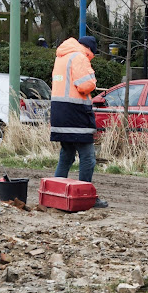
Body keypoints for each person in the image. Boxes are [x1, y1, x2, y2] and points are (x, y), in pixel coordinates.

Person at [50, 35, 108, 208]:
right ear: (89, 50)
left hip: (59, 112)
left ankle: (55, 194)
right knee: (88, 157)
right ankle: (85, 196)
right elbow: (85, 85)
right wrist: (93, 78)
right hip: (75, 114)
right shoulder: (79, 57)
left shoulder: (62, 57)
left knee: (66, 155)